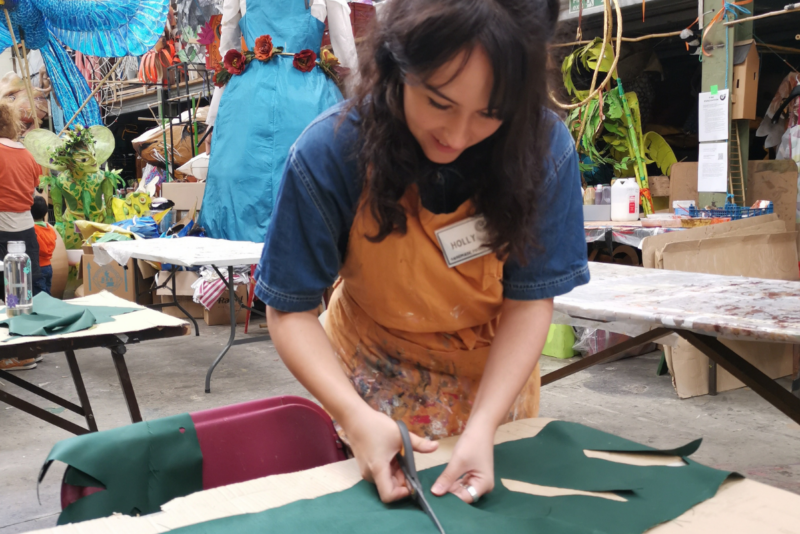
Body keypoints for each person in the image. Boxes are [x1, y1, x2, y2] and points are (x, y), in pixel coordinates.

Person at [256, 0, 588, 506]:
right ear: (396, 60)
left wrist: (484, 426)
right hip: (364, 377)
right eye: (439, 102)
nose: (456, 136)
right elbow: (290, 309)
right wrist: (354, 417)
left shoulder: (543, 150)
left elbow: (528, 301)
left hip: (492, 384)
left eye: (489, 114)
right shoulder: (329, 152)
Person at [199, 0, 358, 243]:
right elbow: (344, 46)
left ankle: (243, 276)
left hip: (247, 101)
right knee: (313, 185)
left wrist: (213, 116)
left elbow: (228, 52)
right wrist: (360, 107)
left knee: (240, 190)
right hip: (307, 97)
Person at [0, 102, 43, 372]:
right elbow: (33, 187)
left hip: (2, 229)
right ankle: (30, 347)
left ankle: (14, 354)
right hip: (25, 230)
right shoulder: (27, 155)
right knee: (23, 291)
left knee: (7, 295)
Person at [31, 196, 56, 296]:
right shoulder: (49, 228)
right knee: (47, 293)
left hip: (38, 267)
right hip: (48, 266)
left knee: (40, 297)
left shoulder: (33, 229)